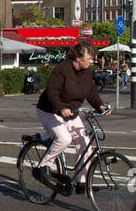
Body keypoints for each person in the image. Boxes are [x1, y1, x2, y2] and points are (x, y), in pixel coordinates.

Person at [32, 42, 110, 195]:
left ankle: (81, 182)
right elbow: (52, 93)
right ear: (78, 58)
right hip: (50, 110)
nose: (91, 61)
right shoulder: (62, 70)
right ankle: (43, 167)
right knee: (64, 139)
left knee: (85, 143)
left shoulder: (87, 72)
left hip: (71, 112)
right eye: (89, 58)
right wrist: (61, 107)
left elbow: (91, 92)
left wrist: (100, 106)